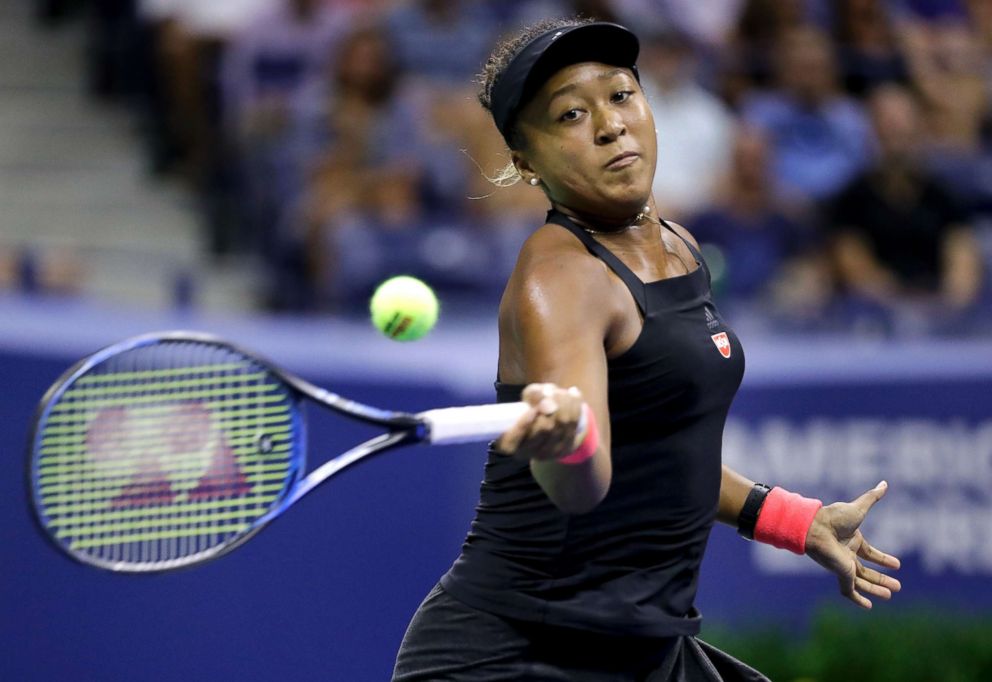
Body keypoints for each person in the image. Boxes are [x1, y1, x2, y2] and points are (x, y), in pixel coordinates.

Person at [392, 19, 901, 681]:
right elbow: (585, 480)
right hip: (516, 655)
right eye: (571, 114)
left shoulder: (680, 247)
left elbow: (660, 451)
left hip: (642, 649)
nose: (610, 125)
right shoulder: (562, 277)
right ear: (526, 163)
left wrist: (791, 520)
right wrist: (567, 446)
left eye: (622, 95)